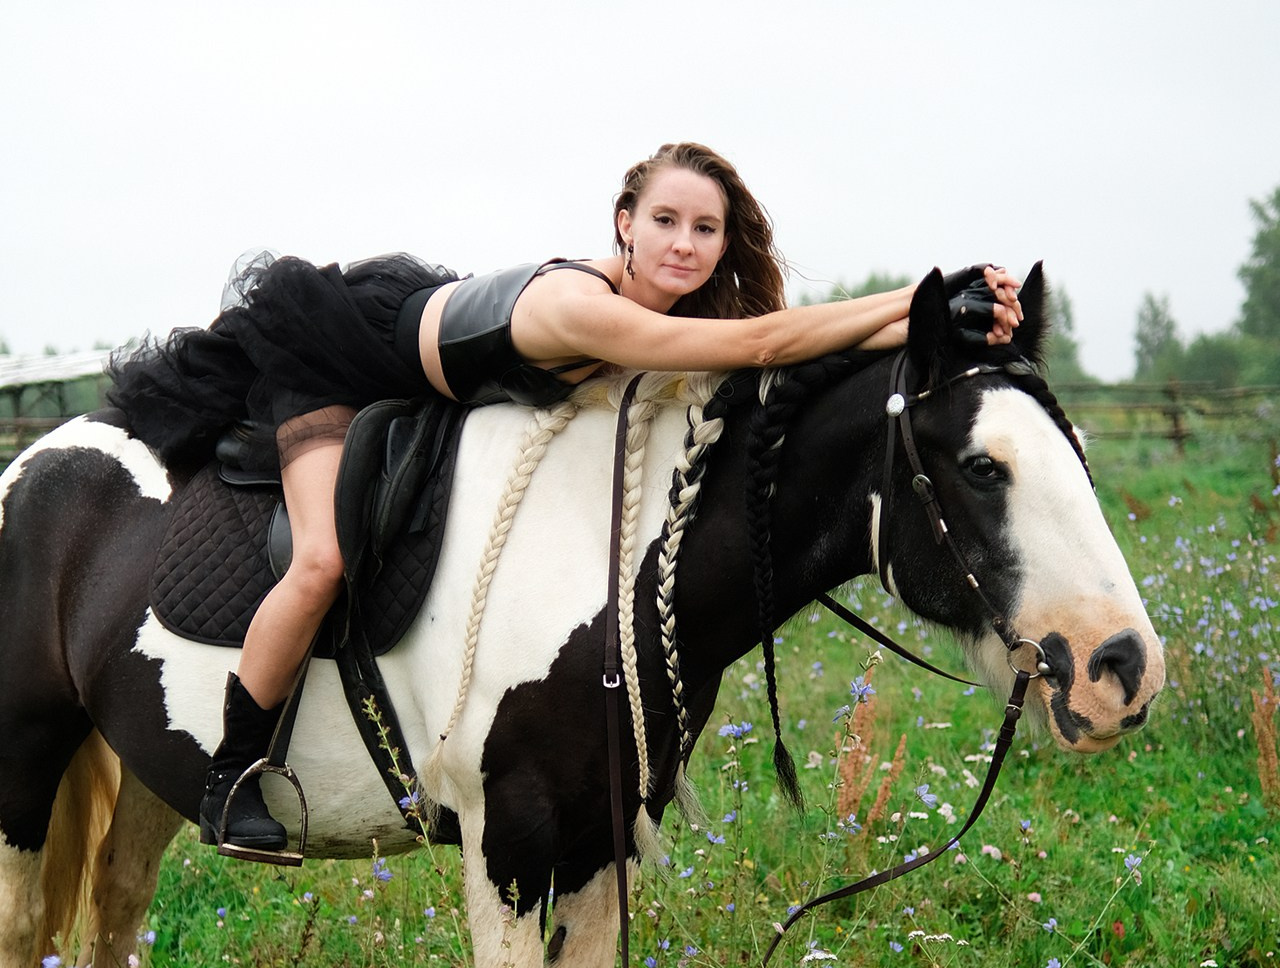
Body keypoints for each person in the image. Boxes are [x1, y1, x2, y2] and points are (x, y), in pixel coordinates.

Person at [108, 141, 1022, 858]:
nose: (684, 244)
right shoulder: (580, 307)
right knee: (322, 559)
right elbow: (767, 345)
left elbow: (785, 350)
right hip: (330, 354)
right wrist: (922, 293)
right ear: (624, 222)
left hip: (423, 356)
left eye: (704, 231)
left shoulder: (664, 307)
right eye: (664, 220)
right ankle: (233, 774)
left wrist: (939, 324)